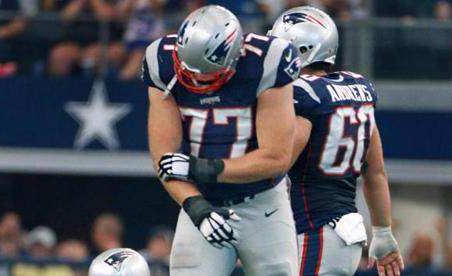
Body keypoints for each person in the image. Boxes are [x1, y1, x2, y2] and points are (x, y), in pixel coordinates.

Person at [143, 5, 302, 276]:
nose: (195, 78)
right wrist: (196, 207)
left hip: (263, 204)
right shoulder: (161, 59)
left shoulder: (266, 60)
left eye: (205, 71)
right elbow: (165, 158)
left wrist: (202, 168)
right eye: (188, 68)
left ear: (235, 56)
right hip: (203, 200)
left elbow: (276, 158)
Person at [268, 6, 404, 276]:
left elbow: (277, 163)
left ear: (300, 50)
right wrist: (383, 233)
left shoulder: (303, 94)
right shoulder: (357, 88)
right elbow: (375, 172)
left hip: (313, 230)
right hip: (341, 231)